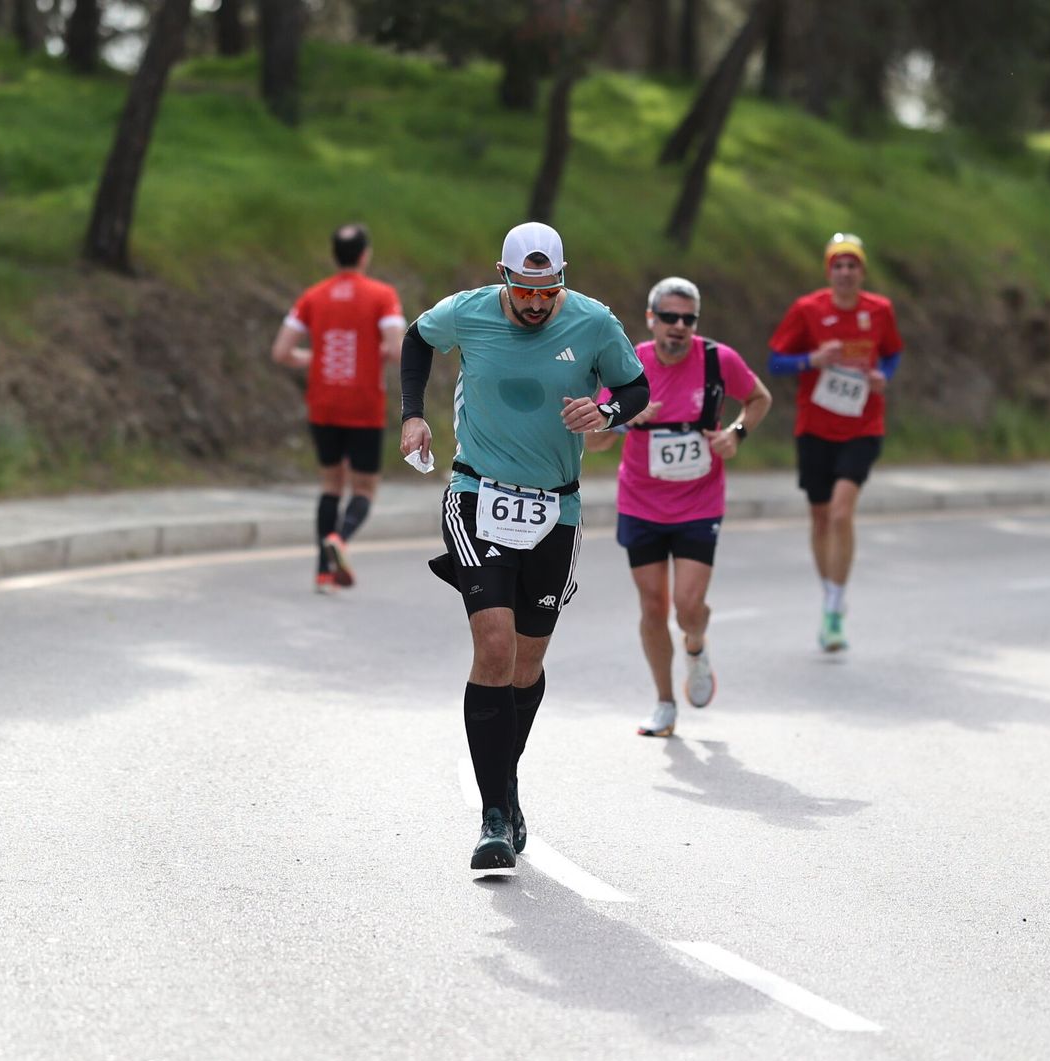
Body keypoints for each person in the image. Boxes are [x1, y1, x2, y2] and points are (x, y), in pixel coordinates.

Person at [399, 221, 649, 871]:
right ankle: (494, 816)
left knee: (526, 667)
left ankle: (504, 793)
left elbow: (635, 387)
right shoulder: (470, 311)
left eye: (548, 291)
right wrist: (413, 413)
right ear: (505, 278)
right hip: (477, 496)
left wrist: (609, 415)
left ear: (560, 280)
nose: (537, 303)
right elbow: (417, 340)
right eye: (525, 291)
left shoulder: (594, 323)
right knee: (496, 646)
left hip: (554, 508)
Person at [586, 276, 771, 738]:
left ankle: (696, 643)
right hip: (641, 502)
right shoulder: (629, 365)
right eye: (669, 317)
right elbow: (595, 442)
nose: (679, 326)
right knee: (653, 607)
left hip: (699, 502)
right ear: (651, 320)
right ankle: (665, 703)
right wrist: (625, 419)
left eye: (688, 319)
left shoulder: (717, 360)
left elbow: (759, 398)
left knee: (688, 605)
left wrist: (737, 433)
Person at [767, 233, 905, 653]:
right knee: (821, 516)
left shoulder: (879, 310)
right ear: (830, 272)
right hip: (815, 426)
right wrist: (811, 360)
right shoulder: (808, 309)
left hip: (863, 426)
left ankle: (834, 604)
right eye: (838, 265)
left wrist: (884, 376)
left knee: (842, 513)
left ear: (862, 272)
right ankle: (829, 591)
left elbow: (893, 353)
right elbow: (775, 360)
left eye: (853, 265)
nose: (846, 272)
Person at [271, 224, 406, 593]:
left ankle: (322, 572)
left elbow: (281, 352)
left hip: (323, 402)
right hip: (363, 403)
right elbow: (396, 350)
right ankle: (341, 539)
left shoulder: (313, 297)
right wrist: (373, 353)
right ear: (365, 255)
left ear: (335, 255)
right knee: (364, 488)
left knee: (331, 483)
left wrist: (314, 358)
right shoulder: (382, 296)